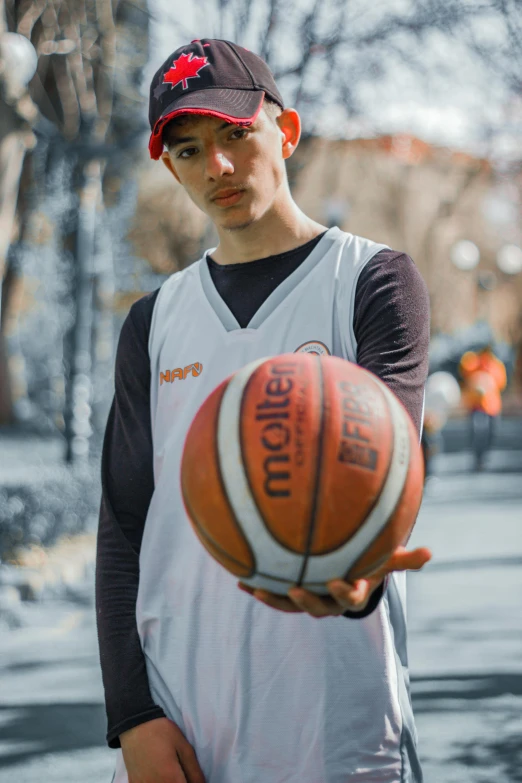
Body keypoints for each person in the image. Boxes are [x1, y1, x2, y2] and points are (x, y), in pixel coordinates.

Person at [96, 38, 432, 783]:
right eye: (186, 150)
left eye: (234, 135)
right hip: (180, 724)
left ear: (285, 131)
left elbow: (388, 483)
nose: (213, 166)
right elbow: (123, 525)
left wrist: (356, 574)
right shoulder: (153, 322)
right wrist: (132, 716)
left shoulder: (372, 282)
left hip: (336, 724)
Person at [459, 345, 507, 470]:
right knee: (477, 431)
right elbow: (463, 369)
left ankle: (484, 455)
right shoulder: (473, 363)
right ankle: (477, 457)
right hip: (476, 405)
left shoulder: (497, 366)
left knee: (491, 433)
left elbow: (501, 384)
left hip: (492, 406)